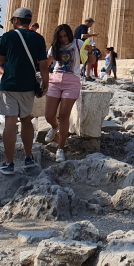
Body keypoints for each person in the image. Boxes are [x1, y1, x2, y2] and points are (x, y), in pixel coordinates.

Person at [0, 7, 49, 175]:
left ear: (16, 20)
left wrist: (8, 73)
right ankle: (28, 158)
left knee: (10, 123)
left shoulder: (7, 37)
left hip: (9, 85)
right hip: (27, 86)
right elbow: (43, 65)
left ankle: (9, 163)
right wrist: (45, 83)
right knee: (26, 120)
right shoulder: (39, 38)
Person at [44, 24, 89, 162]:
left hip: (72, 82)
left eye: (65, 36)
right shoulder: (55, 47)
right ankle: (54, 126)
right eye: (60, 37)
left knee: (64, 115)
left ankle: (60, 149)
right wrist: (42, 79)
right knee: (48, 115)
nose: (63, 39)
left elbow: (90, 61)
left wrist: (90, 52)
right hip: (55, 79)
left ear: (69, 34)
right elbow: (46, 63)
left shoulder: (78, 43)